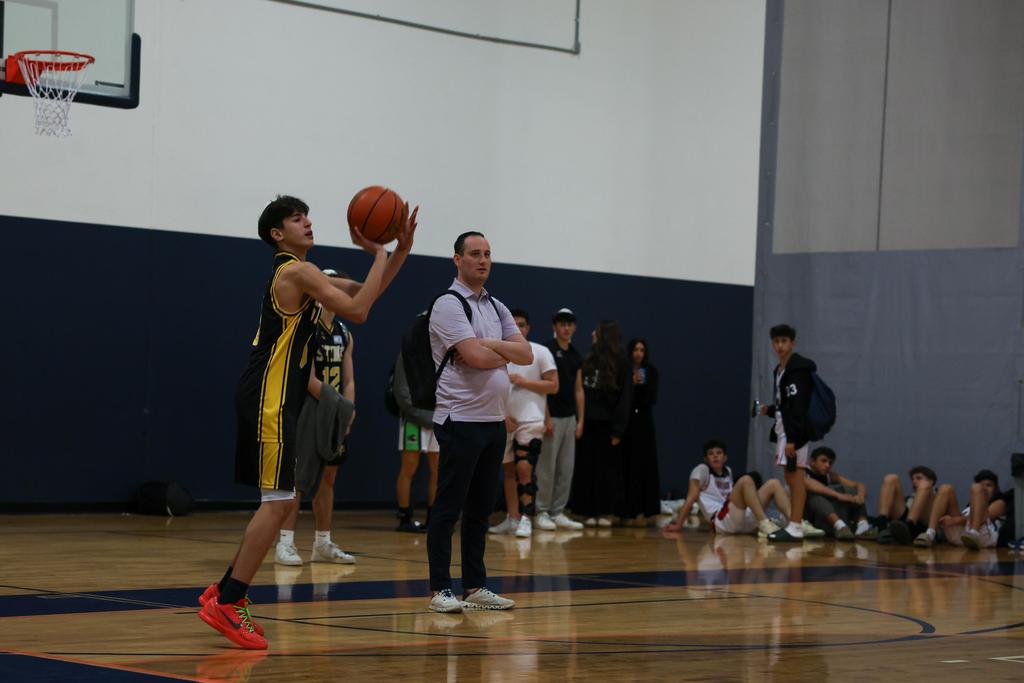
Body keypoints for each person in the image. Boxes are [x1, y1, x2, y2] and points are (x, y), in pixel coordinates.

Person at [197, 195, 416, 650]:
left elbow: (366, 292)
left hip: (276, 397)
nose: (308, 222)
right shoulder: (297, 272)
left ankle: (224, 590)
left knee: (279, 501)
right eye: (298, 219)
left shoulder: (309, 276)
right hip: (271, 397)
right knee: (279, 503)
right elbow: (360, 312)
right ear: (278, 234)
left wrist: (400, 251)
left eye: (307, 216)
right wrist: (380, 252)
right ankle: (229, 601)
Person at [426, 231, 532, 613]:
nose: (483, 260)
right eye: (474, 253)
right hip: (460, 418)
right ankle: (440, 589)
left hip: (492, 421)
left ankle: (475, 586)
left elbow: (525, 353)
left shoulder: (496, 306)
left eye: (487, 253)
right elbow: (475, 358)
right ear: (457, 259)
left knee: (481, 509)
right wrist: (500, 351)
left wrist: (492, 346)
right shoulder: (448, 304)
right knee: (448, 506)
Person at [274, 269, 358, 566]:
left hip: (333, 411)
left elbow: (349, 379)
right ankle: (285, 542)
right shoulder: (305, 327)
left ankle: (322, 542)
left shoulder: (344, 333)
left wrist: (348, 410)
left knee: (328, 478)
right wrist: (338, 406)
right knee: (298, 479)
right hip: (308, 411)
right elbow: (307, 379)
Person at [488, 308, 559, 538]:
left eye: (522, 325)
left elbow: (553, 386)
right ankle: (513, 518)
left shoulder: (540, 352)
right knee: (508, 470)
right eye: (514, 324)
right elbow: (491, 389)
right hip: (505, 420)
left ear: (528, 328)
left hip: (531, 419)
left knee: (524, 468)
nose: (518, 328)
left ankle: (527, 518)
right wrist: (502, 416)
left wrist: (524, 382)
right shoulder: (498, 354)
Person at [756, 324, 822, 542]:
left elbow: (798, 406)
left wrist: (794, 438)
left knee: (796, 478)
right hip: (785, 429)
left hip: (795, 433)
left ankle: (795, 525)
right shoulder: (780, 369)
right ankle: (794, 523)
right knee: (791, 477)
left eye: (784, 341)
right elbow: (785, 405)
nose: (780, 345)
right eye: (776, 341)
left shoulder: (798, 369)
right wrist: (769, 410)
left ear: (792, 343)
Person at [570, 320, 632, 527]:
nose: (592, 334)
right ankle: (587, 510)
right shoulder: (590, 358)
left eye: (596, 331)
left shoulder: (621, 361)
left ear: (605, 334)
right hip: (588, 423)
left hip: (608, 425)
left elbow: (625, 397)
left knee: (607, 471)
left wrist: (618, 430)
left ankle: (605, 511)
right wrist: (580, 419)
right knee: (587, 468)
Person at [663, 439, 788, 537]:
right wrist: (678, 525)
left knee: (774, 483)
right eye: (711, 454)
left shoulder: (728, 471)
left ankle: (793, 524)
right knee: (746, 480)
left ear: (725, 457)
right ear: (706, 459)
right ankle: (765, 523)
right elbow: (690, 499)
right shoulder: (702, 470)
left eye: (719, 453)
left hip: (741, 519)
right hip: (721, 520)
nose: (715, 456)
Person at [535, 308, 585, 531]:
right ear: (555, 327)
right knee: (546, 468)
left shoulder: (575, 355)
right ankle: (541, 511)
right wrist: (545, 417)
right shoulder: (547, 350)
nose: (566, 328)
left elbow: (578, 389)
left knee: (566, 468)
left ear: (574, 327)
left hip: (569, 418)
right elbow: (543, 386)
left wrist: (580, 420)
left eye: (569, 324)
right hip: (551, 417)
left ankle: (558, 512)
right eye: (562, 324)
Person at [393, 349, 440, 533]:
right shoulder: (407, 352)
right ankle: (404, 518)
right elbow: (401, 392)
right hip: (413, 419)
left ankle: (433, 519)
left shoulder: (444, 350)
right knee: (409, 468)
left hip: (438, 418)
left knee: (437, 470)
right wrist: (422, 415)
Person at [621, 338, 661, 524]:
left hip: (644, 422)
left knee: (644, 464)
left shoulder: (651, 371)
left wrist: (641, 386)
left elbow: (652, 398)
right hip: (627, 421)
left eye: (642, 350)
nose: (638, 353)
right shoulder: (624, 370)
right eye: (636, 350)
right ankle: (626, 509)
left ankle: (645, 509)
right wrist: (630, 383)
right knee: (627, 464)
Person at [914, 469, 1003, 549]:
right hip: (961, 535)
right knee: (945, 488)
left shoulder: (999, 502)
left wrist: (955, 520)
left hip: (983, 535)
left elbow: (986, 517)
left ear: (996, 489)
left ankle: (974, 533)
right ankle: (930, 533)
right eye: (982, 485)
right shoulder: (971, 505)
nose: (984, 488)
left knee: (976, 487)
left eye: (988, 485)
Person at [803, 447, 873, 540]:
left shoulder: (830, 475)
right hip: (805, 516)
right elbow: (808, 483)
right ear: (812, 461)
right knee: (814, 494)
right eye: (823, 461)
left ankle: (862, 526)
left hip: (822, 515)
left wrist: (860, 495)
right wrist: (839, 495)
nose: (827, 465)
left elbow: (858, 485)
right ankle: (840, 526)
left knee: (853, 491)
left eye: (830, 463)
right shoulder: (802, 472)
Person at [872, 465, 937, 545]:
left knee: (924, 485)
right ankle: (881, 525)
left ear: (932, 481)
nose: (914, 481)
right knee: (891, 478)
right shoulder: (910, 498)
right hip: (904, 524)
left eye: (919, 478)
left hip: (924, 525)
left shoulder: (939, 496)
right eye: (912, 479)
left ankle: (909, 526)